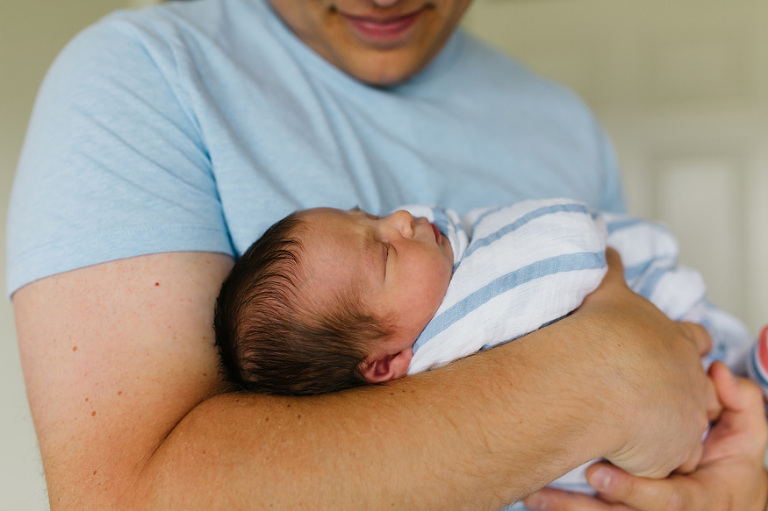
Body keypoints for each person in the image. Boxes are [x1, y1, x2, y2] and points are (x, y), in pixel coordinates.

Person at [7, 0, 767, 508]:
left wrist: (738, 487)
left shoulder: (560, 119)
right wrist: (602, 378)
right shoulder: (145, 76)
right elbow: (135, 497)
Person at [213, 199, 765, 509]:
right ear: (384, 364)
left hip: (689, 444)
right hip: (661, 427)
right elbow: (571, 247)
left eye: (367, 213)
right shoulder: (458, 320)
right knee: (718, 376)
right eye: (384, 251)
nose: (401, 218)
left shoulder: (424, 298)